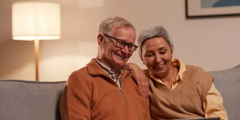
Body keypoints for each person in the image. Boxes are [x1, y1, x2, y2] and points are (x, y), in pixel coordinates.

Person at [126, 26, 228, 120]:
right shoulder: (141, 79)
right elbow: (111, 70)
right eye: (150, 55)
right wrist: (130, 66)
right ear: (141, 57)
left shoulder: (197, 75)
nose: (157, 59)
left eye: (162, 52)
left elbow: (218, 113)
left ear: (172, 50)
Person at [59, 16, 151, 120]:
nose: (126, 51)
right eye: (121, 43)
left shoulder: (137, 80)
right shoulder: (80, 79)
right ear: (101, 40)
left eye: (130, 46)